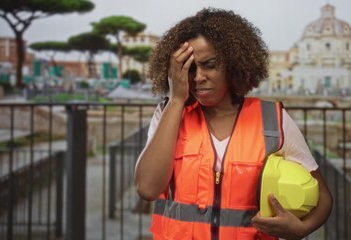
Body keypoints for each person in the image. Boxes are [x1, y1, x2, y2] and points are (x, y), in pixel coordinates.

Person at [134, 7, 333, 240]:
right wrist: (177, 99)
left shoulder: (272, 119)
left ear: (233, 64)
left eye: (209, 65)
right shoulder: (169, 113)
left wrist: (302, 229)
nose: (198, 77)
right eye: (190, 68)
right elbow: (147, 188)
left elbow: (323, 195)